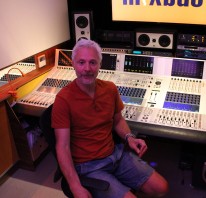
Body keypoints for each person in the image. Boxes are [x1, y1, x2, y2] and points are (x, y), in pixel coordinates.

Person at [52, 39, 169, 198]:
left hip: (116, 155)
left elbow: (118, 120)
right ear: (73, 64)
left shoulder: (109, 89)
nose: (87, 68)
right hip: (89, 167)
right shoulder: (63, 99)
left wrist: (129, 138)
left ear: (100, 64)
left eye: (93, 62)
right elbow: (63, 147)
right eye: (81, 62)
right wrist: (75, 186)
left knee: (161, 187)